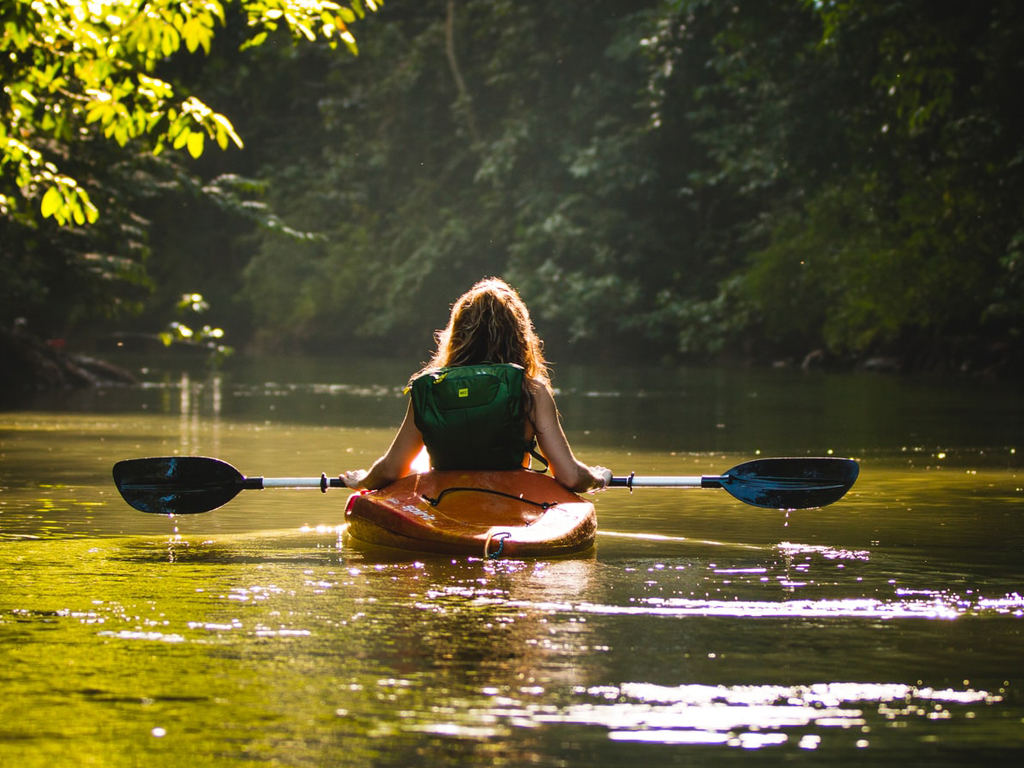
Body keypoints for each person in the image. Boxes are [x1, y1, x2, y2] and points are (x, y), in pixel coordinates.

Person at [341, 277, 610, 494]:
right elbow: (571, 477)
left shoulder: (430, 390)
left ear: (457, 333)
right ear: (519, 335)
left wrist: (364, 481)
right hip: (513, 500)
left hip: (444, 500)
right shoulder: (532, 392)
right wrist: (597, 477)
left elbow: (391, 470)